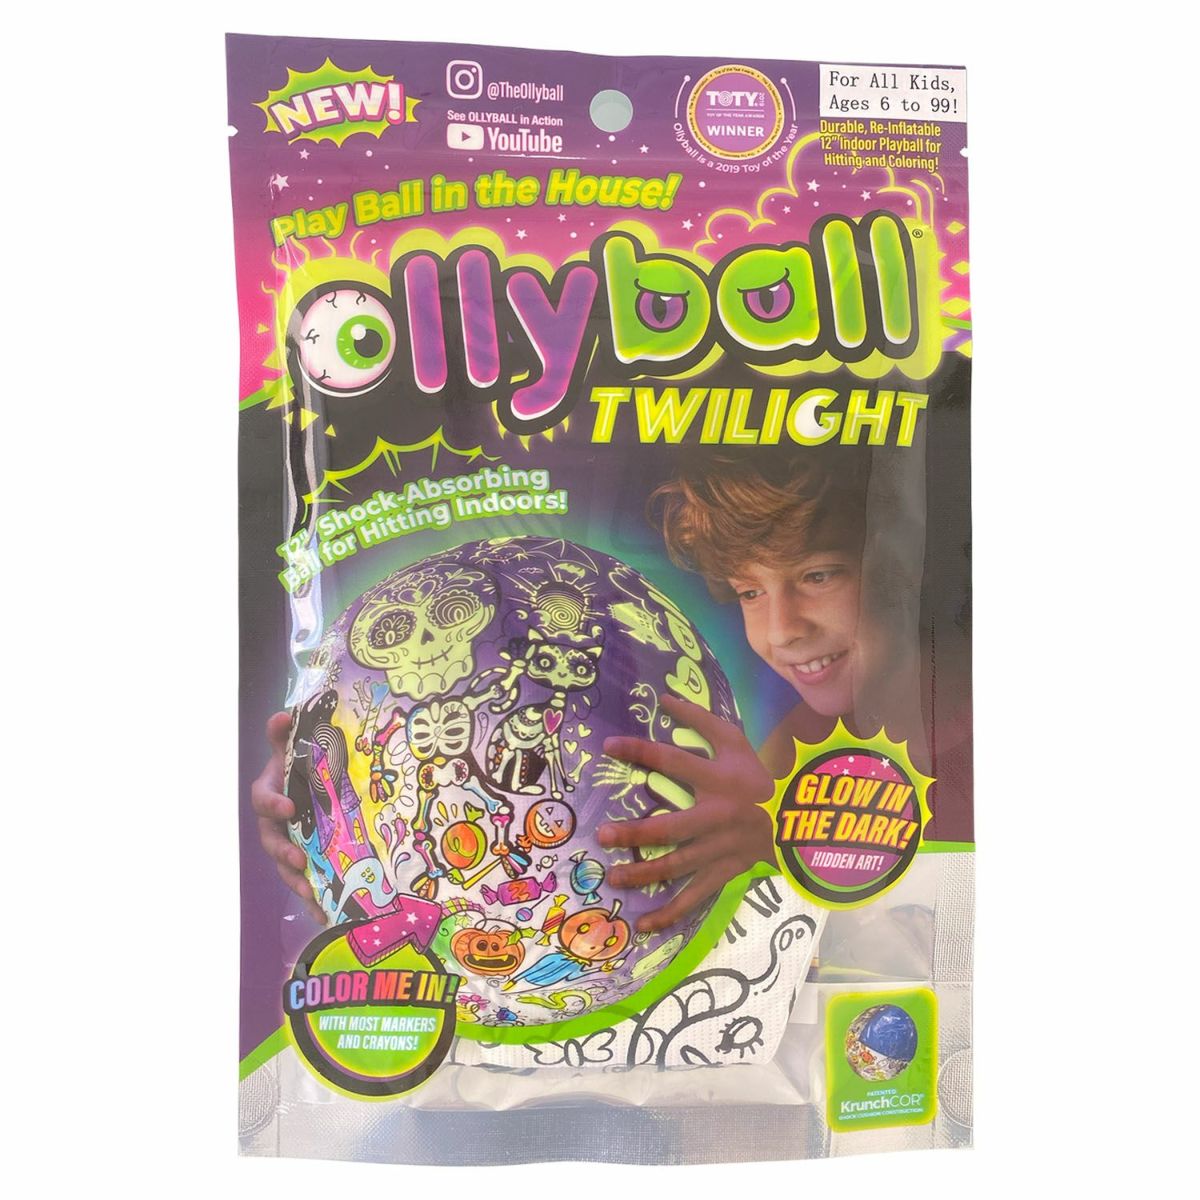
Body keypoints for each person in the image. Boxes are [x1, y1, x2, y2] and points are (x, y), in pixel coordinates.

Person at [252, 448, 931, 932]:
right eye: (750, 592)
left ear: (905, 557)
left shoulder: (956, 739)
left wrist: (775, 842)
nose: (782, 631)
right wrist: (330, 808)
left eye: (819, 575)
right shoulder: (799, 745)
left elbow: (883, 928)